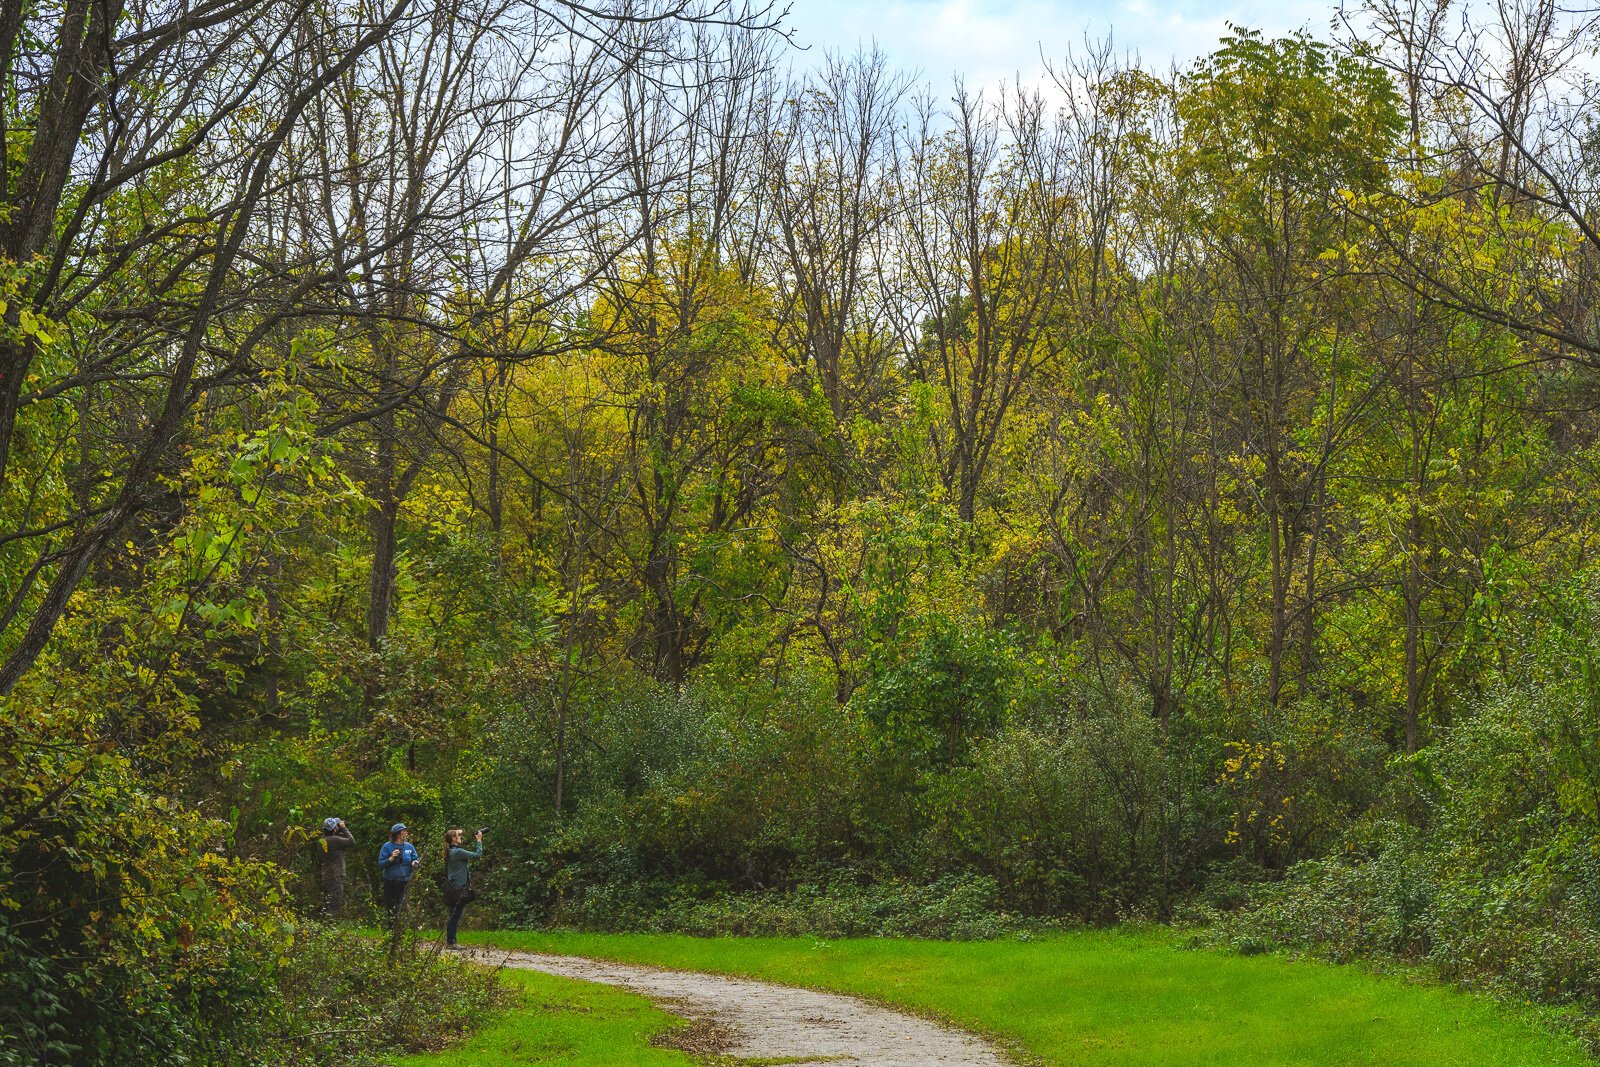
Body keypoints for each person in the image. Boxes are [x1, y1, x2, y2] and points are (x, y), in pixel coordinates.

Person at [442, 828, 484, 949]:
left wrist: (458, 831)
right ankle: (451, 942)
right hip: (458, 888)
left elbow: (454, 836)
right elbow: (477, 855)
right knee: (455, 915)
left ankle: (451, 940)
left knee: (454, 913)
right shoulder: (457, 852)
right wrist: (479, 840)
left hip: (453, 886)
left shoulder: (451, 850)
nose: (461, 837)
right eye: (458, 836)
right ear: (453, 839)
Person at [376, 823, 420, 929]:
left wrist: (415, 863)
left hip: (404, 881)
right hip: (390, 881)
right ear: (398, 833)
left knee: (402, 906)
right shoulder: (387, 846)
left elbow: (415, 859)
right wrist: (391, 858)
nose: (406, 832)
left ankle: (401, 930)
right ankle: (391, 930)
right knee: (391, 906)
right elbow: (381, 864)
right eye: (404, 830)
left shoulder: (409, 847)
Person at [317, 817, 355, 917]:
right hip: (335, 876)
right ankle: (328, 927)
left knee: (328, 903)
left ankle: (321, 927)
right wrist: (343, 828)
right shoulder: (334, 840)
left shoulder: (321, 841)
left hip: (326, 875)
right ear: (334, 829)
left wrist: (337, 831)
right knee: (334, 904)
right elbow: (351, 841)